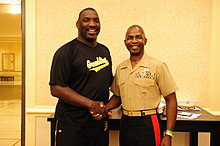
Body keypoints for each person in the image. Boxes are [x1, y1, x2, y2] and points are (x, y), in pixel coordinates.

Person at [103, 25, 178, 146]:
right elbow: (117, 98)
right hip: (126, 122)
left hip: (148, 122)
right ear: (125, 42)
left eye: (138, 37)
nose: (134, 41)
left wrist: (168, 134)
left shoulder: (157, 66)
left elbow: (171, 99)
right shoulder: (121, 68)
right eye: (130, 38)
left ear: (145, 41)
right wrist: (103, 109)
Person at [49, 7, 113, 146]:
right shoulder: (66, 52)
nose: (92, 24)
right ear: (78, 24)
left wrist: (104, 108)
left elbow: (107, 83)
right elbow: (57, 88)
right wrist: (92, 104)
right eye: (86, 20)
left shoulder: (105, 51)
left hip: (98, 124)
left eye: (96, 21)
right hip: (72, 125)